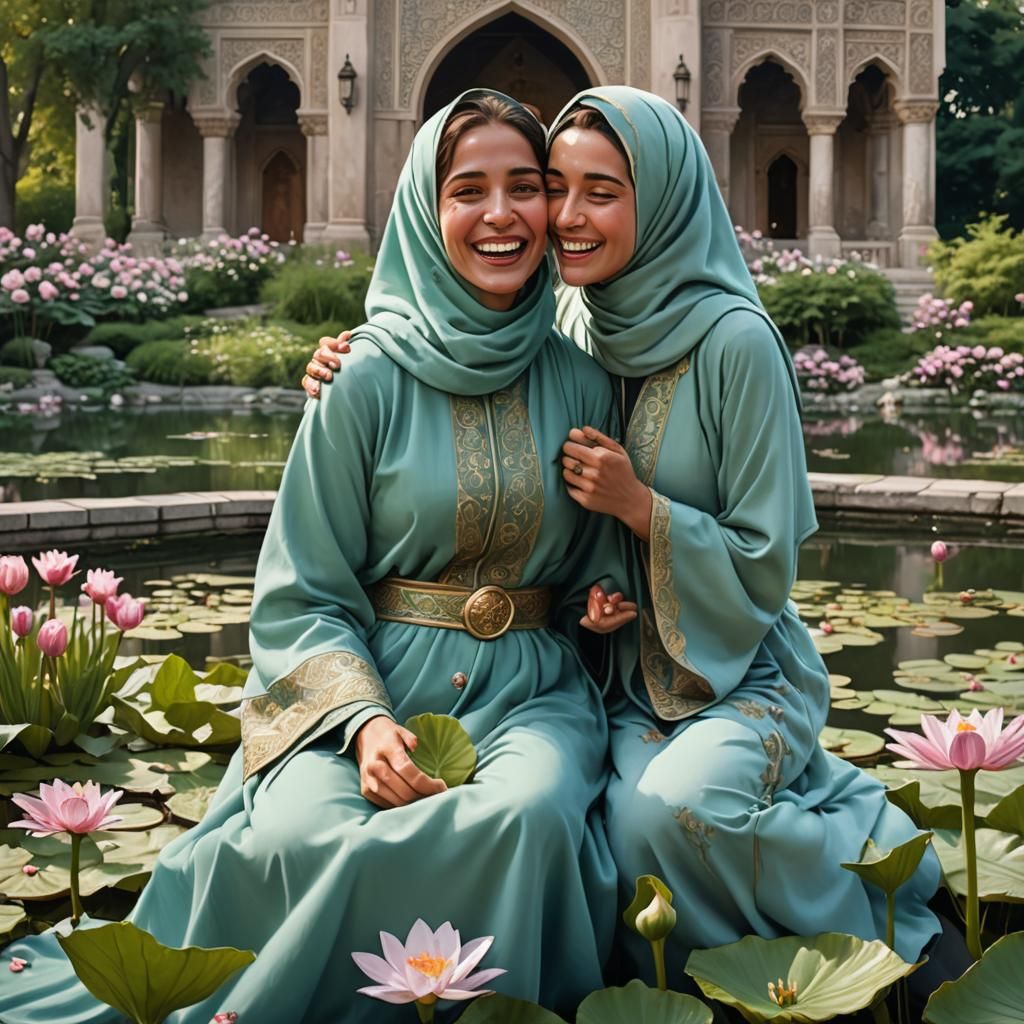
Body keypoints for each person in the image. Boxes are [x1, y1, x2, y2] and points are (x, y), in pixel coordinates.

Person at [0, 90, 634, 1024]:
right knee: (306, 832)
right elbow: (301, 593)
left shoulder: (582, 378)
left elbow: (591, 564)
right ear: (427, 209)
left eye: (525, 188)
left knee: (524, 818)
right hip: (366, 679)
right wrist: (365, 725)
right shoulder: (362, 377)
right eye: (469, 189)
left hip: (530, 696)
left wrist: (602, 600)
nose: (501, 215)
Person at [304, 86, 943, 987]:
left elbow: (768, 563)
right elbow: (553, 518)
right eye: (555, 188)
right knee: (620, 818)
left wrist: (645, 510)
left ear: (664, 197)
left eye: (601, 192)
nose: (565, 217)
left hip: (741, 668)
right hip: (622, 676)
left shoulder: (736, 344)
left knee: (671, 810)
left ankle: (864, 901)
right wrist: (364, 350)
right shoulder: (573, 325)